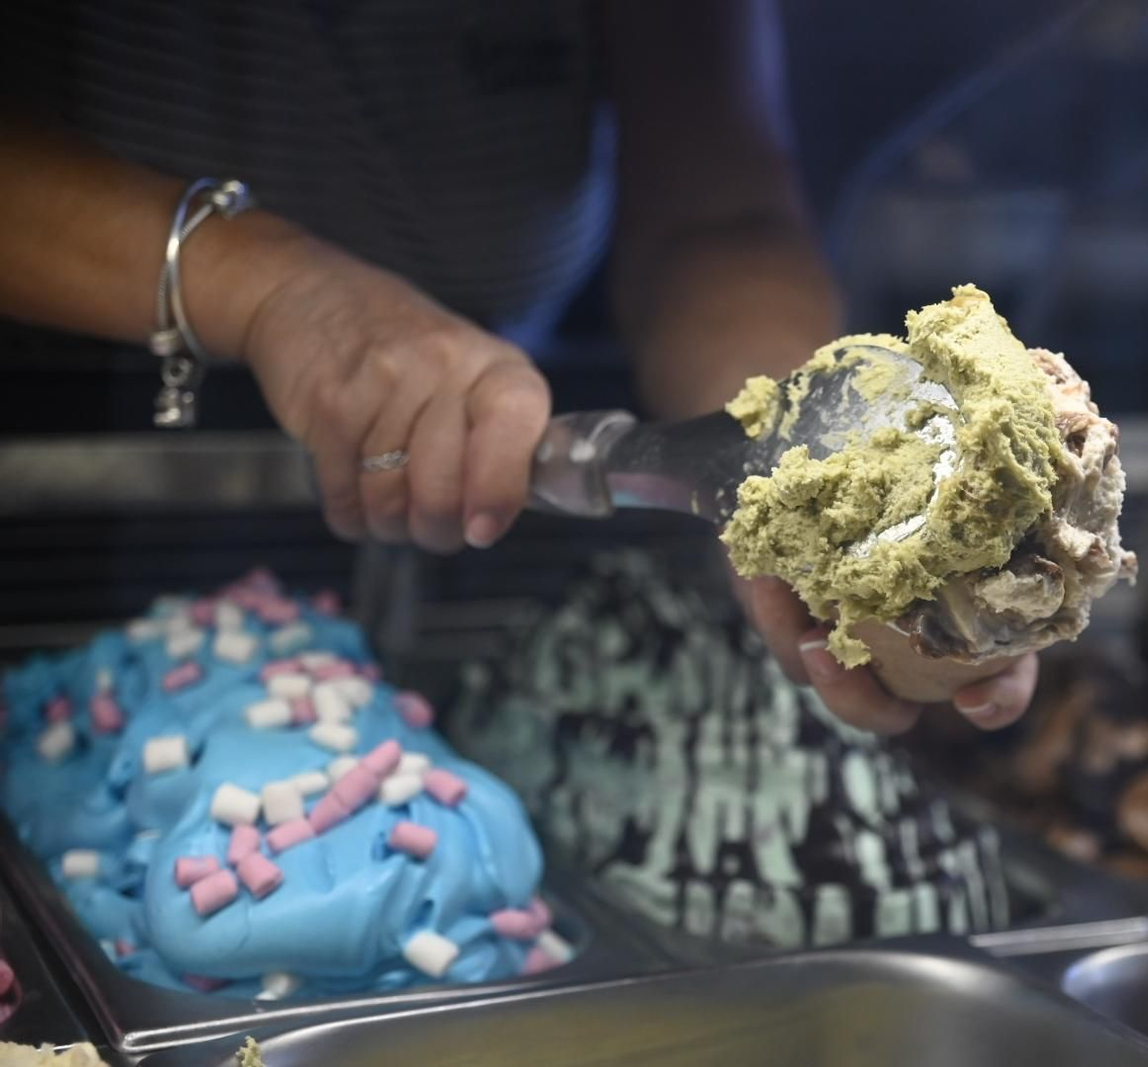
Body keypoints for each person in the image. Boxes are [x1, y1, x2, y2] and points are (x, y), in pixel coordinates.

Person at [0, 0, 1038, 735]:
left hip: (488, 475)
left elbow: (715, 218)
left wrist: (800, 471)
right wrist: (268, 289)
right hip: (53, 477)